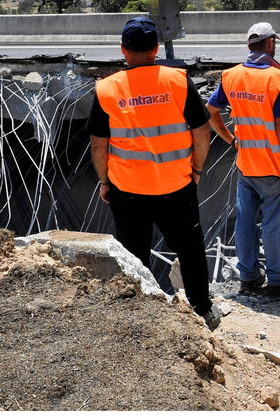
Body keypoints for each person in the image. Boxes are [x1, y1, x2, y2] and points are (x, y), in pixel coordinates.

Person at [88, 16, 220, 330]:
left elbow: (98, 145)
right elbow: (202, 133)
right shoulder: (177, 80)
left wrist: (105, 181)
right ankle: (202, 309)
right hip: (176, 184)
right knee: (190, 249)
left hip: (128, 188)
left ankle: (141, 314)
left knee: (134, 253)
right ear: (156, 48)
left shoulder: (107, 89)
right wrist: (196, 170)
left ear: (123, 50)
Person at [207, 21, 280, 298]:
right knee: (274, 224)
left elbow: (210, 112)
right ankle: (279, 280)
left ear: (249, 45)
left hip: (246, 163)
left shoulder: (231, 76)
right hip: (274, 166)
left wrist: (231, 139)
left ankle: (249, 278)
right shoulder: (276, 80)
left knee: (244, 221)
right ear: (271, 43)